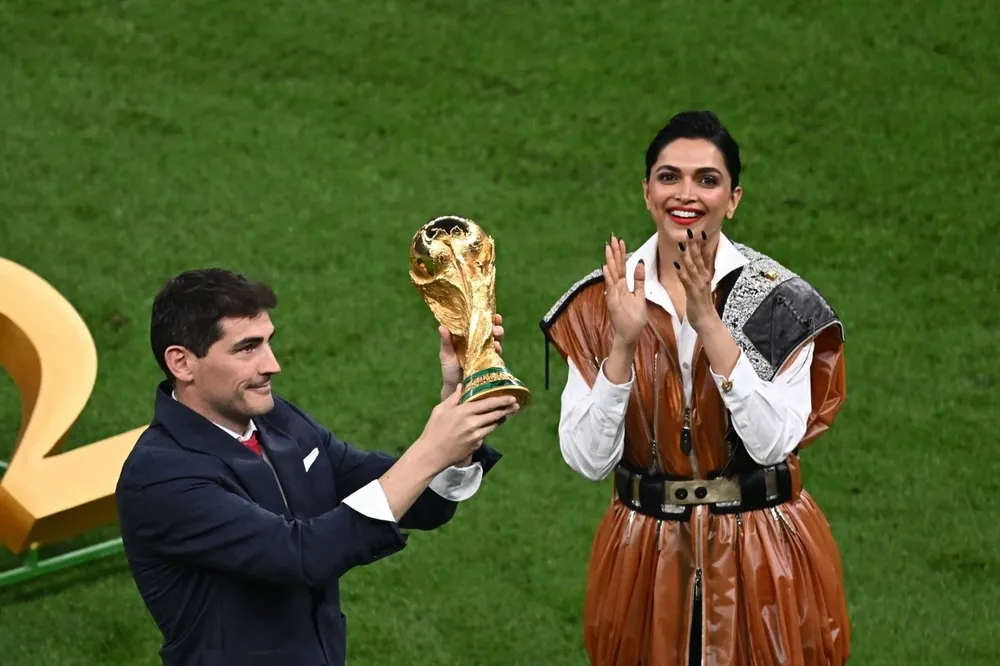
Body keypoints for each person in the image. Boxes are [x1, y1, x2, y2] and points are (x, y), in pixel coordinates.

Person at [539, 110, 850, 665]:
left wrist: (710, 324)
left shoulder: (781, 302)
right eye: (669, 176)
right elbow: (587, 460)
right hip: (643, 555)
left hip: (765, 554)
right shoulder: (600, 303)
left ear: (733, 198)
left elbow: (774, 443)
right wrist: (622, 346)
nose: (686, 194)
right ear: (646, 191)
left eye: (707, 179)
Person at [115, 268, 520, 666]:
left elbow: (415, 501)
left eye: (268, 343)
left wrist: (461, 402)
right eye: (246, 348)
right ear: (182, 363)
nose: (272, 365)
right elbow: (301, 556)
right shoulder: (159, 478)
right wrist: (430, 451)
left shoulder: (279, 422)